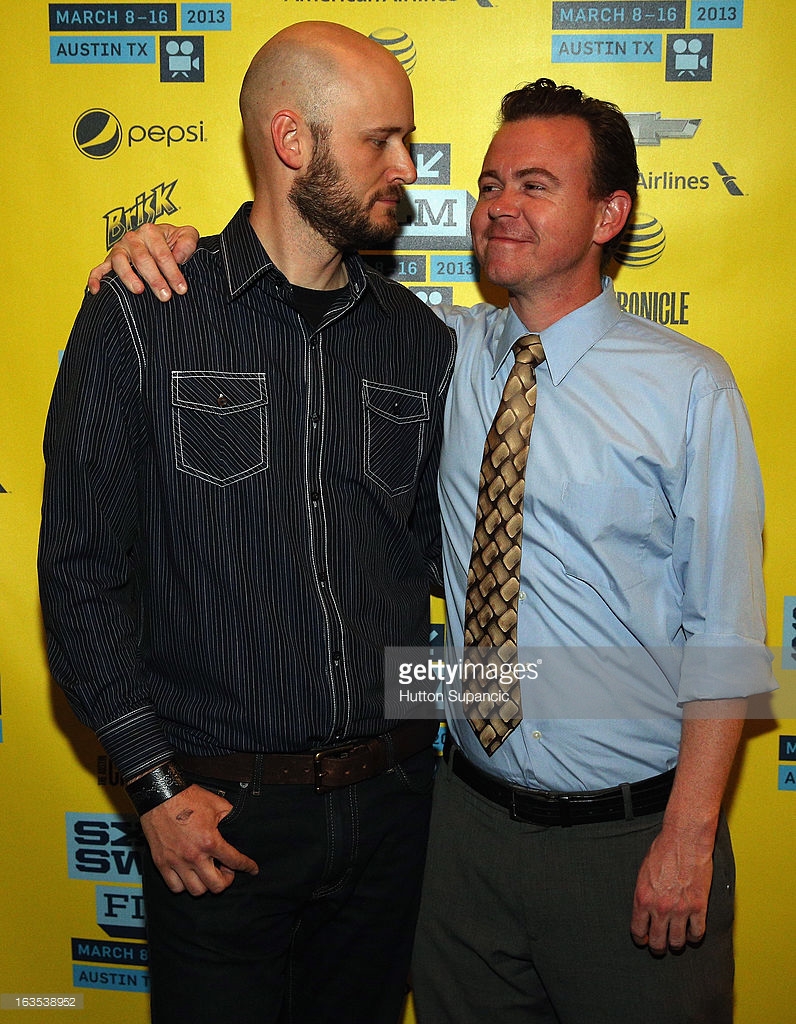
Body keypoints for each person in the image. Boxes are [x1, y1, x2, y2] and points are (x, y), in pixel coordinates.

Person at [87, 80, 774, 1023]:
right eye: (491, 182)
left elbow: (727, 635)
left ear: (609, 213)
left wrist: (691, 838)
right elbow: (302, 296)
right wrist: (164, 248)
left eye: (536, 184)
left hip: (630, 834)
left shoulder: (688, 387)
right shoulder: (432, 347)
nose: (500, 204)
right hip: (459, 830)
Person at [38, 22, 455, 1024]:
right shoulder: (145, 310)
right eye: (382, 141)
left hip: (393, 811)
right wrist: (153, 786)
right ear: (292, 140)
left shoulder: (418, 342)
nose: (408, 168)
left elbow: (435, 558)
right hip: (217, 822)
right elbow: (82, 572)